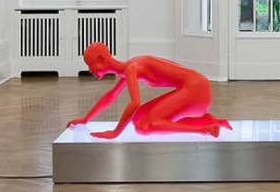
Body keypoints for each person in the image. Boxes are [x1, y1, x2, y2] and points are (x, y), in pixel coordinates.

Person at [67, 41, 229, 139]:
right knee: (138, 118)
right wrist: (86, 119)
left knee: (144, 126)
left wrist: (115, 133)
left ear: (101, 59)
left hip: (196, 89)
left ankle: (205, 130)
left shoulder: (131, 68)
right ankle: (209, 122)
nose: (90, 70)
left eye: (91, 65)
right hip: (194, 86)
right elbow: (111, 96)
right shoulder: (128, 69)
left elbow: (135, 102)